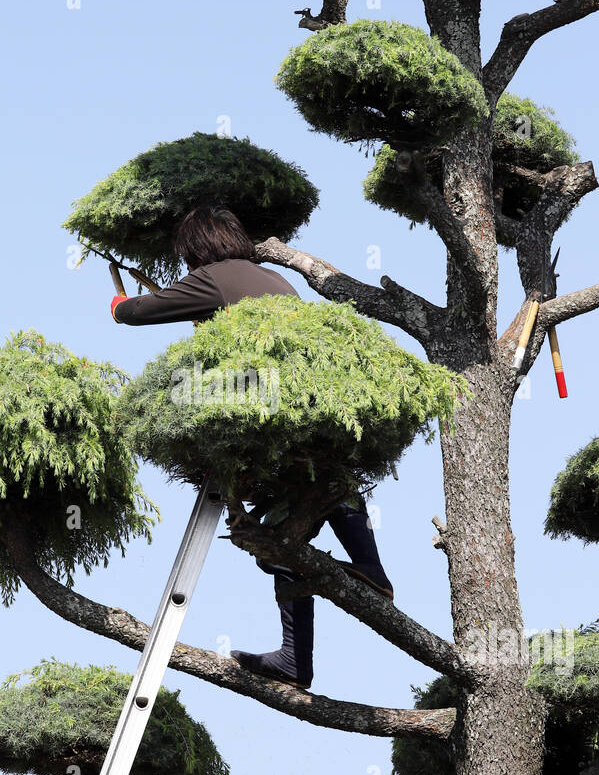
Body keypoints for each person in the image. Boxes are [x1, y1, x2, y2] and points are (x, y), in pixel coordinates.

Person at [111, 205, 393, 690]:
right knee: (313, 499)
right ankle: (355, 586)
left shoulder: (214, 277)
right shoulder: (274, 280)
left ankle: (300, 651)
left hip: (265, 418)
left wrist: (118, 302)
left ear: (198, 250)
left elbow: (136, 313)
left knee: (277, 544)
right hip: (311, 410)